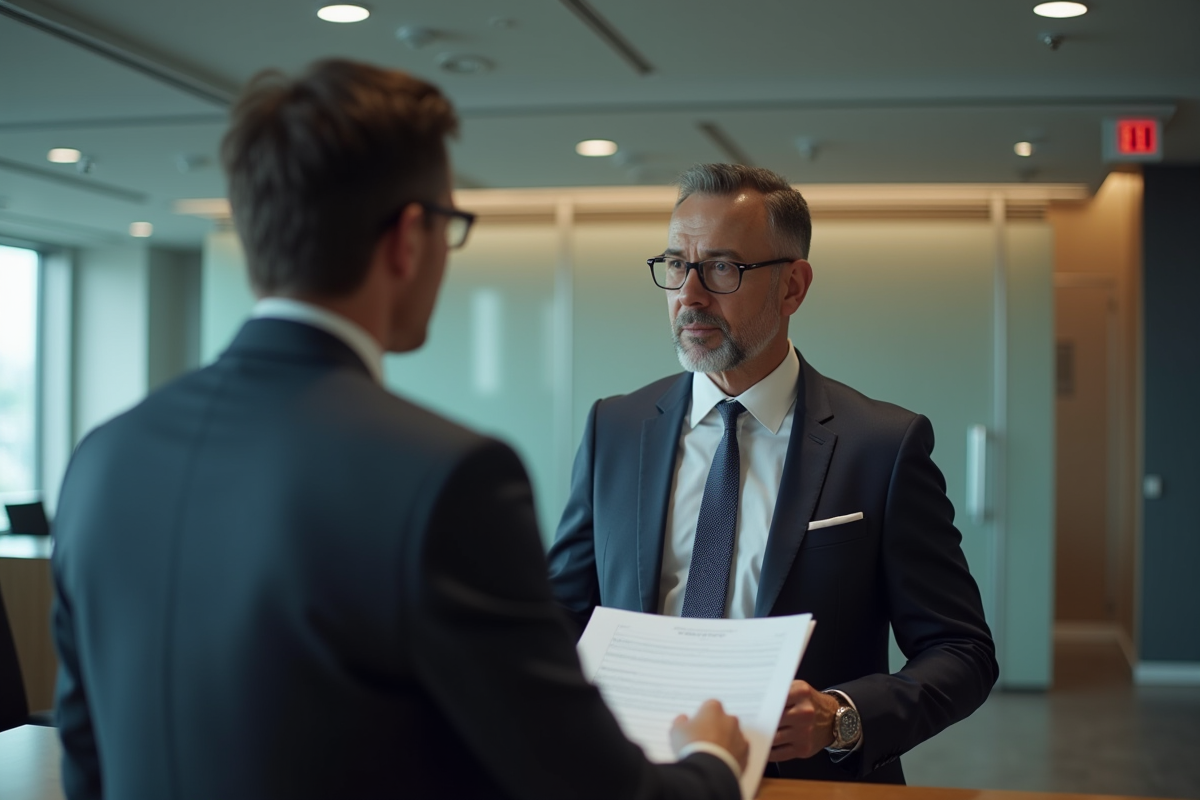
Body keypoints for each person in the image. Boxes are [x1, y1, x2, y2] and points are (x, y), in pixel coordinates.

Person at [50, 61, 747, 800]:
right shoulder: (447, 478)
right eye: (452, 224)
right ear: (410, 237)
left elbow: (86, 762)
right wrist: (716, 762)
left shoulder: (102, 459)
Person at [547, 163, 999, 785]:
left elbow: (963, 652)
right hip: (636, 780)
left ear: (793, 287)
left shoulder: (883, 446)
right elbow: (560, 619)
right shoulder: (616, 429)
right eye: (677, 264)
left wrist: (841, 716)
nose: (690, 295)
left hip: (811, 785)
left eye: (723, 268)